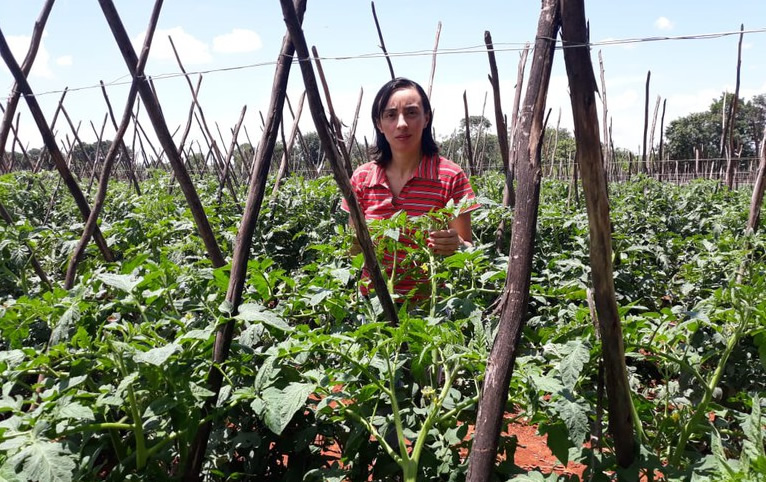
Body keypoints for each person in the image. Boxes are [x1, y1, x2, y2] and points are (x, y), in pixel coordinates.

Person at [341, 77, 479, 297]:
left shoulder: (450, 176)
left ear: (426, 118)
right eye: (391, 115)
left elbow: (468, 248)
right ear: (379, 123)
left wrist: (457, 245)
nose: (402, 123)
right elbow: (352, 251)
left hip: (431, 309)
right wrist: (357, 243)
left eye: (412, 112)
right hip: (372, 308)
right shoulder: (362, 178)